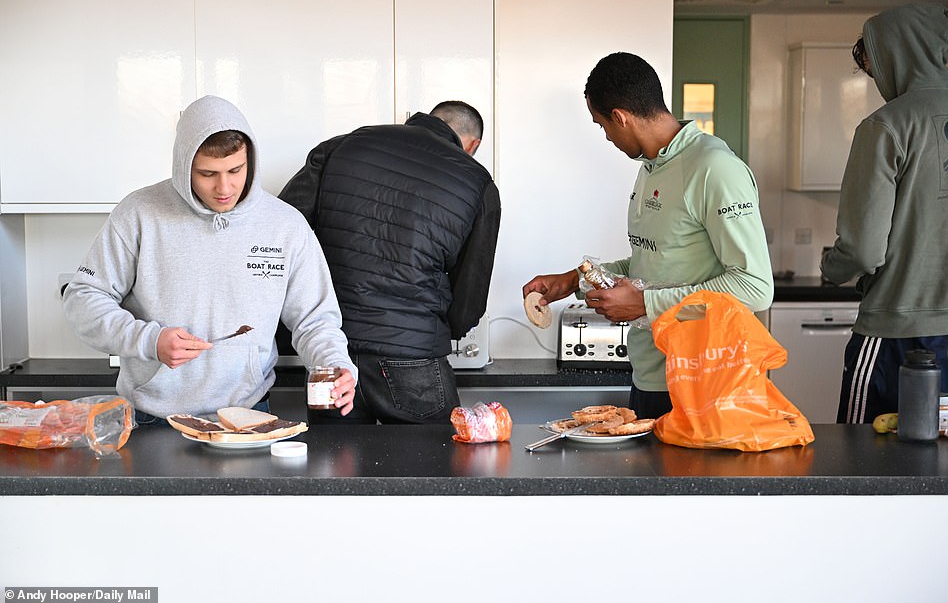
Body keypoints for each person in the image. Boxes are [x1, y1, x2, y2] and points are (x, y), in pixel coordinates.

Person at [63, 95, 357, 425]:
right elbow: (82, 299)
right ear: (183, 165)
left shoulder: (285, 226)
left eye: (236, 170)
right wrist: (150, 341)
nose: (224, 187)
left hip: (247, 417)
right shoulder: (139, 214)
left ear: (251, 160)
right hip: (151, 418)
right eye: (207, 173)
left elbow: (315, 320)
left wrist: (335, 364)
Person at [522, 52, 773, 419]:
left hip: (704, 381)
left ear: (621, 117)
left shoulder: (715, 169)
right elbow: (652, 261)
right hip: (651, 376)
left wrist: (646, 303)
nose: (606, 136)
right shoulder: (652, 167)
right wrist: (572, 281)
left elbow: (755, 286)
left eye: (602, 125)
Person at [279, 101, 500, 424]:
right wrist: (443, 331)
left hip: (332, 352)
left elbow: (281, 230)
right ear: (473, 146)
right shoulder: (477, 182)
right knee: (432, 468)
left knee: (334, 467)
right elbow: (471, 291)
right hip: (413, 356)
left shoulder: (341, 147)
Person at [821, 3, 948, 424]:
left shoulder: (885, 126)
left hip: (898, 332)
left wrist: (832, 265)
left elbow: (863, 251)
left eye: (875, 68)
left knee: (863, 462)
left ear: (897, 56)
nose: (877, 81)